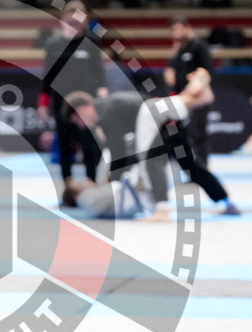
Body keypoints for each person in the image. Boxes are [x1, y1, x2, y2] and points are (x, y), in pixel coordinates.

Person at [62, 69, 237, 220]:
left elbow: (118, 150)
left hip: (153, 117)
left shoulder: (106, 111)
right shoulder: (109, 105)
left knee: (150, 161)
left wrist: (114, 183)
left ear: (81, 110)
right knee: (191, 165)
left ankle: (162, 210)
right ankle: (226, 202)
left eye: (78, 121)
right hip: (164, 120)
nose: (82, 126)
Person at [163, 17, 239, 219]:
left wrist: (197, 83)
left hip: (195, 103)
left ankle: (200, 170)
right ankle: (192, 173)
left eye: (179, 29)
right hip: (180, 105)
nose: (176, 34)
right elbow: (171, 75)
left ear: (188, 28)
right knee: (180, 145)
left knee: (196, 139)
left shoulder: (199, 47)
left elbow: (206, 73)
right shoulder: (180, 51)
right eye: (174, 30)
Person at [40, 0, 108, 196]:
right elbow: (48, 76)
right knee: (64, 143)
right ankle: (68, 184)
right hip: (62, 102)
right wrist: (43, 102)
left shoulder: (92, 41)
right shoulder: (53, 43)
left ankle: (92, 180)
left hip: (87, 103)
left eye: (78, 23)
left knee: (89, 143)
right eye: (71, 23)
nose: (75, 27)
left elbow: (99, 71)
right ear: (63, 21)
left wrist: (102, 90)